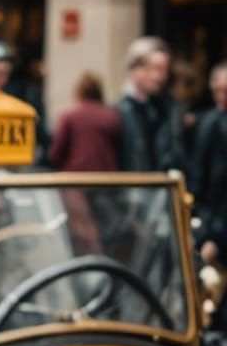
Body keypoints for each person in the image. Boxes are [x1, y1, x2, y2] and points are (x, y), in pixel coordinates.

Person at [115, 35, 185, 173]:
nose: (162, 77)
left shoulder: (166, 107)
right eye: (157, 69)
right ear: (137, 70)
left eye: (165, 70)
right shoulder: (118, 111)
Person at [50, 73, 121, 172]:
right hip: (105, 178)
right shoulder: (111, 116)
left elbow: (56, 152)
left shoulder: (69, 115)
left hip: (76, 178)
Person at [193, 61, 227, 265]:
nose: (221, 97)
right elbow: (200, 176)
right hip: (211, 221)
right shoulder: (208, 122)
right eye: (217, 91)